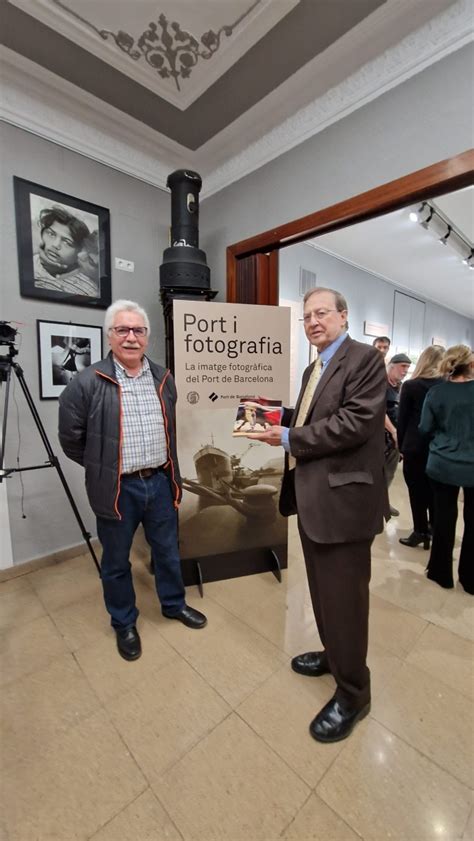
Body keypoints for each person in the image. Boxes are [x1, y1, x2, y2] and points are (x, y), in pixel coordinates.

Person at [246, 287, 388, 743]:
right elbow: (310, 417)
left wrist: (287, 437)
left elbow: (355, 422)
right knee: (326, 594)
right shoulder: (314, 366)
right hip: (312, 500)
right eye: (306, 316)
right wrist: (270, 416)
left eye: (322, 313)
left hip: (345, 504)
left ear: (343, 316)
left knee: (345, 599)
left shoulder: (364, 359)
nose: (312, 322)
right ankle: (334, 654)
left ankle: (354, 693)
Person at [58, 299, 207, 661]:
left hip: (158, 483)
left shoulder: (163, 378)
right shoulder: (86, 382)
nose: (130, 337)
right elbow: (71, 440)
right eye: (122, 330)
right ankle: (124, 622)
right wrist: (104, 467)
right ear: (109, 336)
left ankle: (173, 604)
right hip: (117, 489)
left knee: (168, 551)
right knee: (116, 561)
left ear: (147, 337)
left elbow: (170, 430)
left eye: (138, 330)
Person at [419, 344, 474, 594]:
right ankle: (470, 578)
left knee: (443, 519)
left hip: (442, 463)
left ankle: (441, 574)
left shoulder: (436, 392)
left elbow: (424, 428)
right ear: (470, 365)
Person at [397, 345, 444, 549]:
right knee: (434, 490)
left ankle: (420, 531)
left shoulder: (411, 385)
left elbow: (403, 419)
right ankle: (434, 528)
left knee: (416, 491)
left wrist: (400, 446)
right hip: (437, 446)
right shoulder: (446, 385)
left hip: (414, 446)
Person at [33, 205, 90, 292]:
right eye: (51, 234)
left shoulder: (88, 284)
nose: (55, 245)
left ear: (79, 251)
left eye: (67, 242)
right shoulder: (28, 265)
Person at [384, 353, 411, 516]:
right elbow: (379, 410)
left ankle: (383, 503)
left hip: (396, 440)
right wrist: (393, 431)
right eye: (402, 366)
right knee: (377, 474)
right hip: (381, 438)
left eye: (407, 367)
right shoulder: (381, 385)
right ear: (392, 366)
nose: (405, 371)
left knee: (389, 472)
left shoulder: (401, 387)